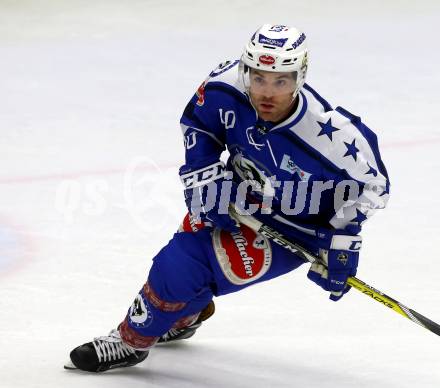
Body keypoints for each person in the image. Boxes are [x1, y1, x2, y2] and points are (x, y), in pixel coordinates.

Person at [65, 24, 390, 373]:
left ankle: (134, 339)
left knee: (180, 268)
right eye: (258, 78)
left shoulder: (336, 138)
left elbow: (372, 188)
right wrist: (204, 176)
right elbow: (199, 124)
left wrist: (341, 239)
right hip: (237, 200)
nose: (266, 92)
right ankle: (183, 315)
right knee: (181, 268)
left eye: (280, 81)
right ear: (245, 70)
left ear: (300, 76)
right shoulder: (224, 87)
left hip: (294, 231)